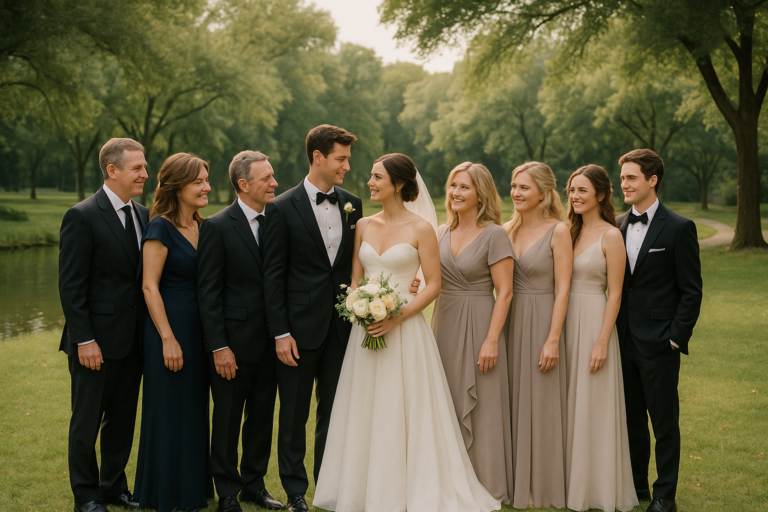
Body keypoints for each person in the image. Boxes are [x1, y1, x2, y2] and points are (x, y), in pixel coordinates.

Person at [313, 153, 500, 512]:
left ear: (398, 184)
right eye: (370, 176)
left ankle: (413, 487)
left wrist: (395, 316)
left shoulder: (421, 229)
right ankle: (361, 488)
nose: (369, 182)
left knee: (406, 408)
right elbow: (355, 278)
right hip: (365, 332)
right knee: (365, 407)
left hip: (405, 330)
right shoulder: (364, 225)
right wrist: (358, 305)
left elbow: (433, 286)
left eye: (376, 177)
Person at [263, 125, 363, 512]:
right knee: (293, 414)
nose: (347, 167)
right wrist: (281, 332)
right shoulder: (281, 208)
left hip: (342, 329)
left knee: (335, 413)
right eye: (341, 159)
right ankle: (295, 492)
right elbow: (272, 277)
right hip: (297, 332)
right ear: (318, 157)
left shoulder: (352, 203)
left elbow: (356, 264)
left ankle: (329, 485)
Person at [58, 138, 148, 512]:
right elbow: (71, 285)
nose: (145, 173)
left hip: (133, 341)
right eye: (137, 168)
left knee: (122, 421)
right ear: (112, 171)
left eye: (145, 167)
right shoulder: (81, 215)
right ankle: (87, 496)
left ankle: (114, 487)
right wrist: (85, 340)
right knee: (86, 423)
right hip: (94, 343)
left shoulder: (143, 214)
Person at [616, 149, 702, 512]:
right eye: (622, 178)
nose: (624, 184)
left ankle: (665, 495)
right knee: (631, 420)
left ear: (652, 180)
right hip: (622, 340)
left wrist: (675, 337)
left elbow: (691, 290)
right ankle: (635, 487)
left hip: (660, 343)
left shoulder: (680, 227)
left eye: (631, 177)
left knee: (664, 424)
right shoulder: (616, 225)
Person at [197, 151, 283, 512]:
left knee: (262, 418)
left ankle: (254, 486)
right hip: (232, 344)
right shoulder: (216, 226)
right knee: (228, 419)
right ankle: (227, 492)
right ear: (243, 184)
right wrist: (219, 346)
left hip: (270, 341)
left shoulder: (278, 219)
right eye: (266, 178)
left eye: (273, 176)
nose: (274, 183)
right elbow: (209, 292)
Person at [133, 153, 214, 511]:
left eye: (207, 179)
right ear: (177, 186)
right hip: (168, 331)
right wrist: (167, 338)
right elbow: (149, 287)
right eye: (198, 181)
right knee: (167, 411)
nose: (207, 187)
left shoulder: (203, 226)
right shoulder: (159, 228)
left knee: (194, 410)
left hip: (199, 332)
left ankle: (192, 490)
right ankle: (163, 492)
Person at [430, 162, 515, 504]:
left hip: (481, 322)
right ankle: (448, 480)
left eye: (464, 187)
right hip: (444, 322)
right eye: (453, 186)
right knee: (443, 401)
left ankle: (487, 483)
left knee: (484, 405)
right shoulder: (439, 232)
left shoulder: (494, 234)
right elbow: (429, 279)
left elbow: (505, 291)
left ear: (480, 193)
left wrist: (491, 340)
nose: (455, 193)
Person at [563, 165, 638, 511]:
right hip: (563, 324)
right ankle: (564, 481)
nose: (575, 197)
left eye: (582, 191)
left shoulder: (611, 235)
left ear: (601, 195)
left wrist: (602, 342)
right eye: (571, 190)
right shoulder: (566, 232)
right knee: (566, 403)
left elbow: (616, 294)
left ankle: (596, 489)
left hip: (594, 321)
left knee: (592, 405)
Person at [502, 161, 572, 509]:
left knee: (543, 401)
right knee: (510, 398)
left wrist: (553, 339)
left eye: (524, 187)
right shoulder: (504, 230)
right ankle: (513, 482)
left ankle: (543, 485)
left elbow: (563, 290)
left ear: (543, 192)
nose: (516, 192)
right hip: (509, 322)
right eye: (514, 186)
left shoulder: (559, 231)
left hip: (544, 317)